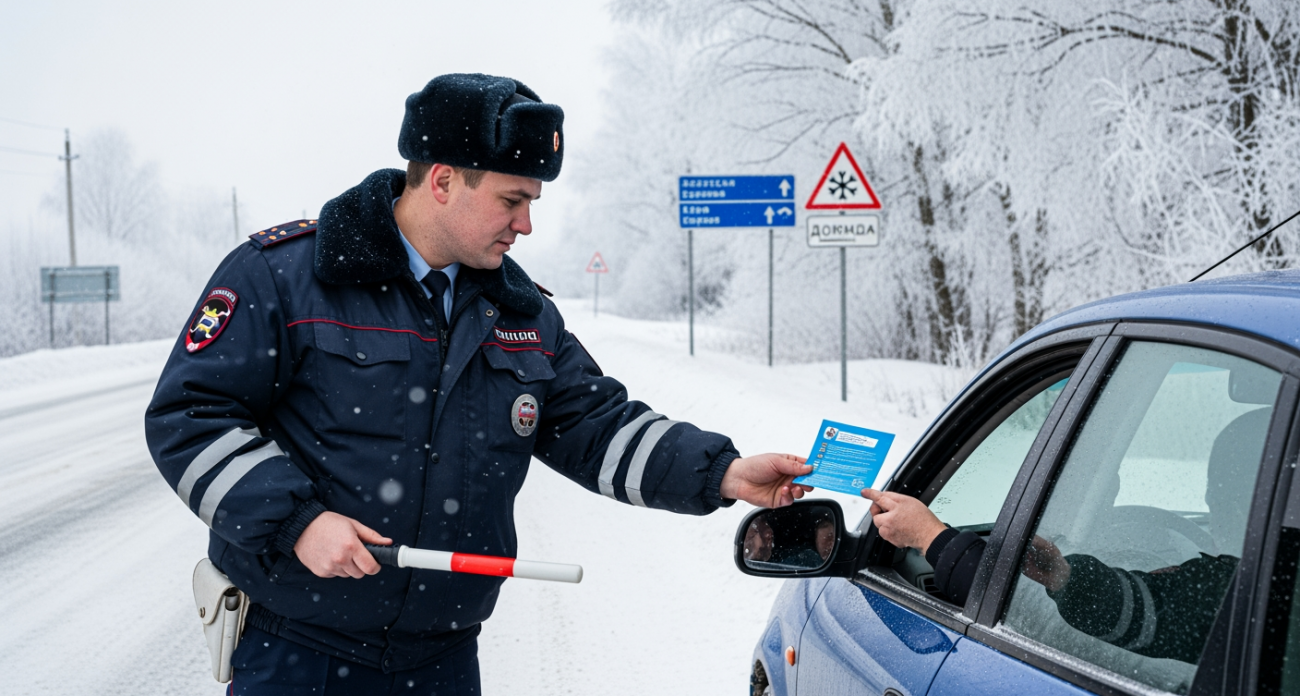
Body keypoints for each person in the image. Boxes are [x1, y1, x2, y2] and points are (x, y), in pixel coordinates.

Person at [145, 73, 812, 695]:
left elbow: (596, 427)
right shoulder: (288, 278)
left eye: (531, 203)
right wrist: (298, 522)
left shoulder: (521, 314)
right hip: (300, 653)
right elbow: (191, 416)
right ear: (441, 182)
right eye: (511, 200)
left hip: (442, 660)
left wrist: (722, 472)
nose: (526, 224)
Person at [860, 408, 1267, 665]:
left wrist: (930, 536)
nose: (1212, 502)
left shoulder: (1238, 591)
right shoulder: (1259, 583)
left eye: (1218, 490)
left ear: (1253, 505)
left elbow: (1031, 621)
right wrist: (1063, 577)